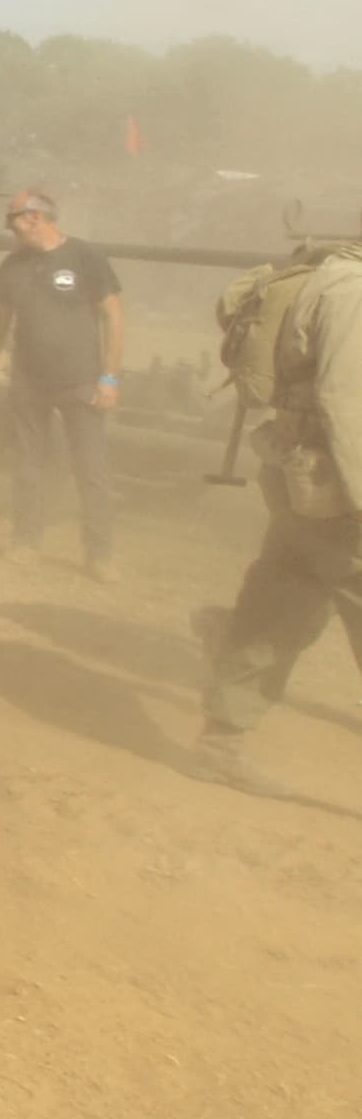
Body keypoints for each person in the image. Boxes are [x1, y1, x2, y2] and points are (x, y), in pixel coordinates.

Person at [190, 232, 362, 795]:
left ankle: (221, 745)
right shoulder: (354, 291)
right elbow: (344, 399)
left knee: (279, 609)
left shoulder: (326, 277)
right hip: (339, 491)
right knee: (283, 607)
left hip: (303, 482)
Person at [0, 189, 125, 579]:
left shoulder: (86, 257)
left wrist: (109, 377)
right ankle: (26, 541)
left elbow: (113, 318)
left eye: (14, 221)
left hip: (81, 382)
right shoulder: (12, 266)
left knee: (91, 470)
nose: (11, 229)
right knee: (27, 465)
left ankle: (100, 555)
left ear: (36, 218)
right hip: (28, 382)